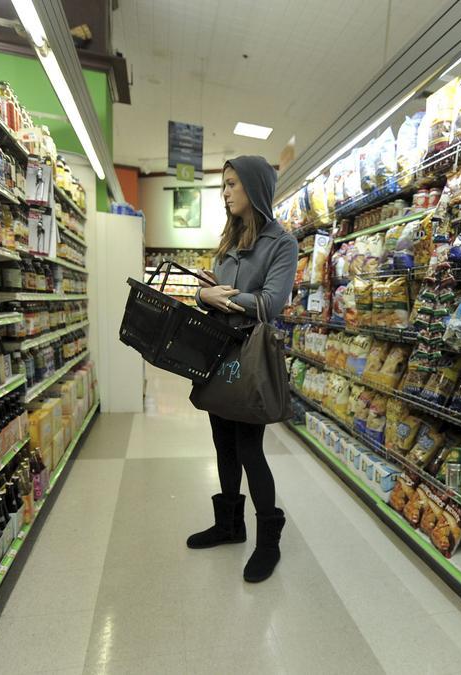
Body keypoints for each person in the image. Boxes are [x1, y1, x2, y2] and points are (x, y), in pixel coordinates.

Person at [189, 156, 298, 583]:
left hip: (250, 359)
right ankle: (230, 526)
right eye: (225, 184)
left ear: (253, 187)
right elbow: (212, 292)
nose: (226, 191)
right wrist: (204, 294)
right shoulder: (229, 240)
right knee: (223, 446)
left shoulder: (281, 242)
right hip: (219, 356)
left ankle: (268, 540)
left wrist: (223, 298)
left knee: (251, 448)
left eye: (233, 183)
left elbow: (272, 303)